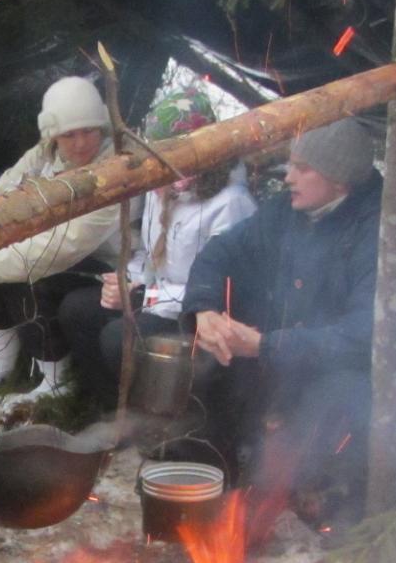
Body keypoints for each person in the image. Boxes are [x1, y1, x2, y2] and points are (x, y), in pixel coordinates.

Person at [180, 117, 382, 528]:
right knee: (203, 368)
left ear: (340, 181)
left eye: (303, 169)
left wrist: (266, 346)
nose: (288, 177)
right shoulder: (284, 211)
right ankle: (225, 470)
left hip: (336, 380)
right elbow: (220, 252)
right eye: (290, 164)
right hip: (274, 360)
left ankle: (313, 494)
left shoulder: (374, 235)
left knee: (287, 477)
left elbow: (363, 336)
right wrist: (205, 310)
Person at [57, 90, 256, 407]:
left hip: (194, 312)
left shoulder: (230, 203)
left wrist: (141, 297)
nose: (154, 160)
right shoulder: (162, 184)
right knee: (77, 310)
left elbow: (219, 287)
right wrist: (127, 280)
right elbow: (151, 256)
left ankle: (149, 416)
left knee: (117, 339)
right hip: (154, 295)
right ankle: (108, 409)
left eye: (164, 152)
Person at [0, 75, 121, 398]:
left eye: (89, 131)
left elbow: (65, 246)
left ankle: (56, 374)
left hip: (103, 267)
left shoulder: (117, 166)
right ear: (53, 134)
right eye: (69, 135)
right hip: (49, 248)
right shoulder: (43, 155)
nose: (81, 143)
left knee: (29, 273)